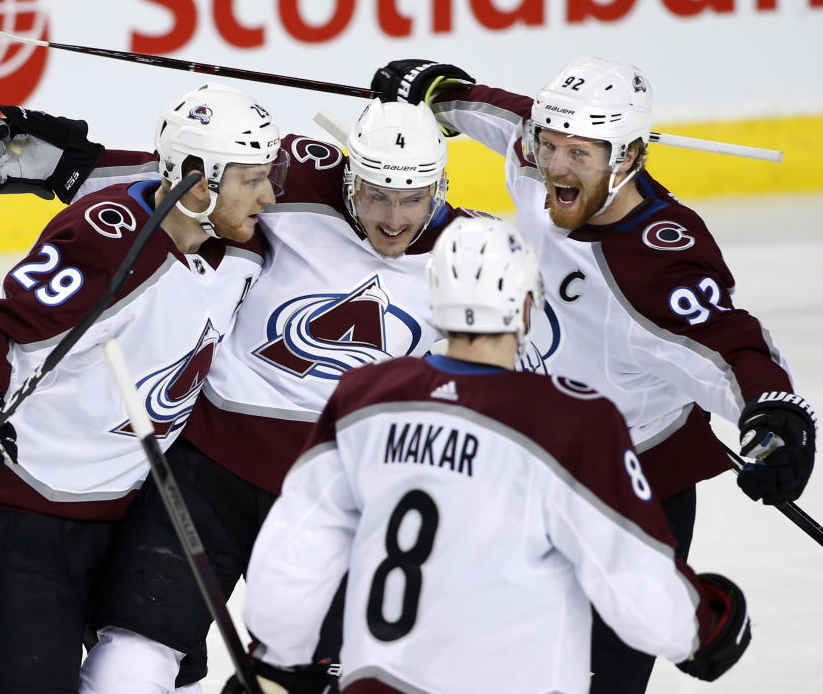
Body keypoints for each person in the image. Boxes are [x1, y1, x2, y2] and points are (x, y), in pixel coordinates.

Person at [0, 98, 493, 692]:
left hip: (340, 495)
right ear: (348, 176)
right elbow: (197, 178)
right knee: (138, 651)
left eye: (414, 196)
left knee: (320, 676)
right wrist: (78, 169)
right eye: (375, 193)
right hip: (206, 474)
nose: (394, 217)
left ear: (442, 185)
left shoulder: (477, 254)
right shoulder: (297, 174)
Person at [369, 56, 817, 694]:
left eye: (579, 153)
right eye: (551, 146)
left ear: (629, 154)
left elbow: (729, 343)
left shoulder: (658, 261)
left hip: (627, 489)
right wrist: (443, 95)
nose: (554, 166)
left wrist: (777, 413)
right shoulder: (541, 156)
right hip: (518, 461)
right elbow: (508, 118)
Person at [234, 216, 752, 694]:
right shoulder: (570, 421)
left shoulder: (366, 396)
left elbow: (298, 544)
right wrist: (700, 627)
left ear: (436, 302)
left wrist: (277, 659)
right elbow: (626, 569)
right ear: (527, 308)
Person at [0, 82, 284, 694]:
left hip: (124, 519)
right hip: (20, 520)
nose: (269, 195)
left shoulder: (243, 251)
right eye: (252, 179)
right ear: (201, 183)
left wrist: (81, 164)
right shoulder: (109, 240)